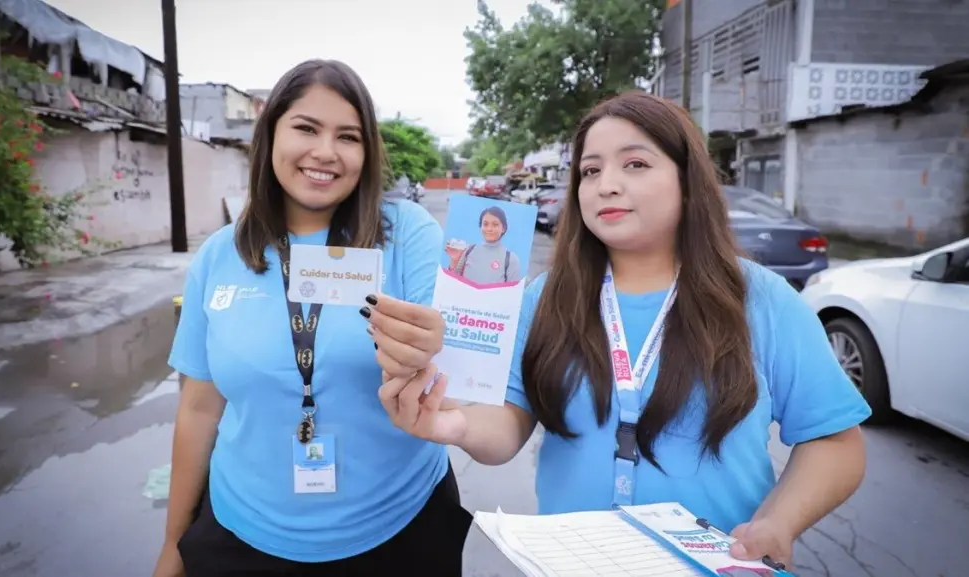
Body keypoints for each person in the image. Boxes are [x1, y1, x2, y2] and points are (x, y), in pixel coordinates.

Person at [379, 91, 871, 571]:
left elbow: (835, 442)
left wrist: (778, 524)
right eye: (590, 170)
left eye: (634, 164)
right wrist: (456, 427)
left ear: (687, 180)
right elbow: (509, 422)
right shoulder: (544, 296)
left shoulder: (762, 300)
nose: (605, 185)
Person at [153, 59, 471, 577]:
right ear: (270, 133)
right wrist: (173, 543)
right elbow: (197, 409)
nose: (325, 152)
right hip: (241, 532)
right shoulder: (218, 256)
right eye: (305, 128)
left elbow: (462, 371)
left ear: (366, 152)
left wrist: (433, 349)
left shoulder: (408, 234)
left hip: (401, 529)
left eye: (348, 136)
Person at [445, 206, 522, 285]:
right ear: (480, 226)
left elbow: (513, 294)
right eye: (485, 224)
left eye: (495, 225)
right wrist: (454, 260)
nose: (489, 229)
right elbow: (453, 282)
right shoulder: (469, 251)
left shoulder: (510, 259)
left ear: (504, 228)